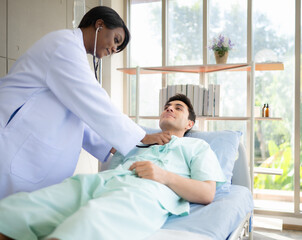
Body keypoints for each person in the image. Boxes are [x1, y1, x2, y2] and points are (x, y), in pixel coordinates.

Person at [0, 6, 171, 200]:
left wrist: (111, 145)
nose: (114, 49)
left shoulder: (74, 53)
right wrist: (142, 136)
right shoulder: (64, 45)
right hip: (12, 139)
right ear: (99, 25)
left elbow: (78, 114)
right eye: (116, 40)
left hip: (29, 155)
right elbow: (93, 100)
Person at [0, 94, 225, 240]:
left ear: (190, 124)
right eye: (167, 106)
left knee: (89, 222)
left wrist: (164, 176)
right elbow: (102, 134)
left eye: (178, 108)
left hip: (145, 190)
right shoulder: (140, 141)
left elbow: (207, 193)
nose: (170, 109)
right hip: (100, 181)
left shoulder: (197, 146)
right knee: (25, 207)